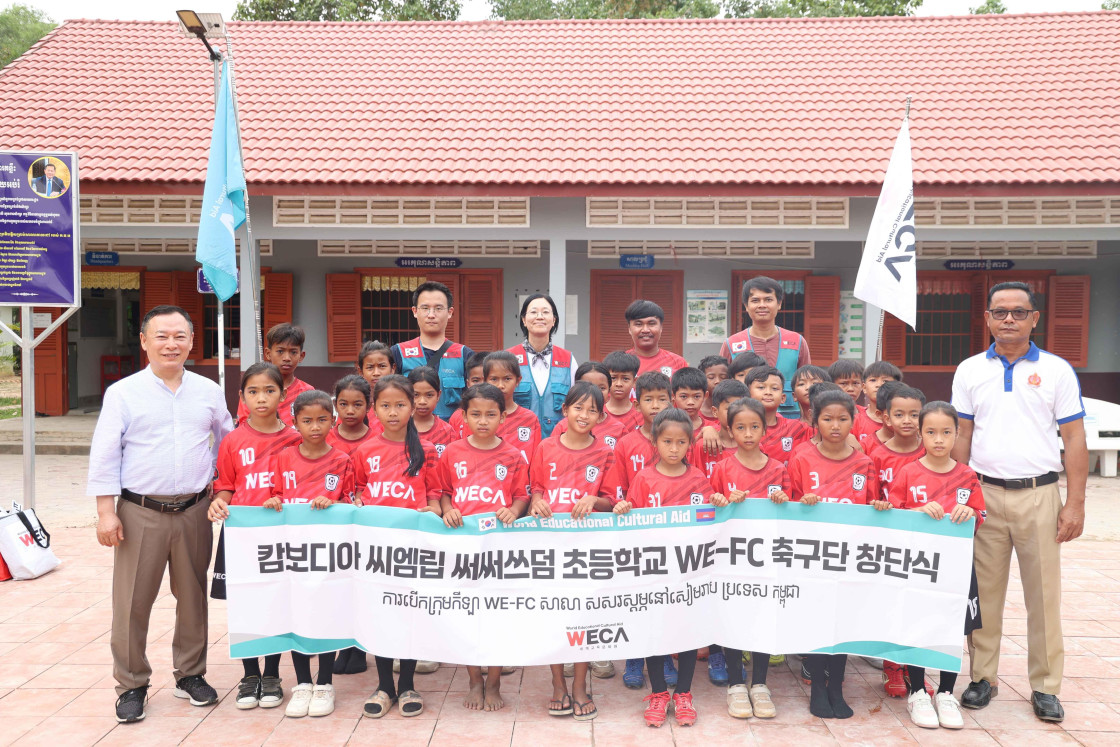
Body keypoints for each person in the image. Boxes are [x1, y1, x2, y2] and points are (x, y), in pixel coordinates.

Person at [88, 305, 233, 724]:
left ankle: (190, 675)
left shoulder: (208, 391)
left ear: (192, 341)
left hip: (195, 511)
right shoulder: (123, 393)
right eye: (162, 336)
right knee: (132, 601)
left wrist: (222, 489)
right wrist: (105, 512)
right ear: (144, 341)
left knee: (192, 598)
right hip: (140, 512)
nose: (171, 344)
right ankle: (131, 684)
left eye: (180, 336)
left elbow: (228, 444)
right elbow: (105, 454)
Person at [950, 281, 1088, 723]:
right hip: (983, 494)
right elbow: (963, 434)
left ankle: (1045, 685)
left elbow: (1074, 437)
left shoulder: (1056, 370)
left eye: (1018, 311)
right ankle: (982, 678)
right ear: (987, 318)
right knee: (984, 594)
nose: (1008, 318)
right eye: (1000, 311)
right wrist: (958, 494)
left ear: (1034, 318)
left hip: (1039, 495)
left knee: (1043, 596)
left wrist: (1075, 503)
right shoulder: (970, 370)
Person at [207, 362, 299, 711]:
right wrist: (219, 502)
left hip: (280, 535)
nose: (262, 398)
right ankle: (250, 675)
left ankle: (272, 674)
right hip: (242, 536)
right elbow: (226, 487)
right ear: (242, 396)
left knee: (276, 601)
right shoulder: (232, 440)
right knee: (245, 603)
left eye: (269, 391)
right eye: (253, 391)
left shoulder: (295, 439)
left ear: (283, 395)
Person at [788, 389, 885, 719]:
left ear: (853, 421)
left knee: (842, 622)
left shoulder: (863, 463)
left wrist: (879, 507)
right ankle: (818, 688)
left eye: (843, 419)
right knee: (817, 621)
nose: (835, 425)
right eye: (827, 419)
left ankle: (836, 688)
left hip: (849, 557)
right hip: (813, 555)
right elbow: (788, 504)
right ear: (815, 421)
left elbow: (870, 508)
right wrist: (802, 504)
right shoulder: (802, 457)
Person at [888, 401, 985, 731]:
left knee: (951, 627)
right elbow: (893, 515)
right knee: (918, 625)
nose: (939, 439)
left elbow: (980, 515)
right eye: (931, 432)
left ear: (957, 434)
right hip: (919, 566)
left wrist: (970, 513)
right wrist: (916, 512)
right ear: (921, 434)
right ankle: (917, 691)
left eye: (946, 432)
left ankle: (946, 692)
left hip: (956, 569)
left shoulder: (967, 476)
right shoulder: (909, 473)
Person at [614, 408, 713, 728]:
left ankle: (683, 693)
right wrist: (625, 508)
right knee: (653, 632)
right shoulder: (643, 478)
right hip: (653, 574)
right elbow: (632, 522)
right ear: (654, 442)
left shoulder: (698, 479)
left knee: (686, 633)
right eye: (667, 441)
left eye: (681, 442)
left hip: (687, 573)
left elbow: (710, 521)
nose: (674, 448)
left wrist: (720, 505)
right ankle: (658, 693)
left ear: (690, 444)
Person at [352, 375, 443, 719]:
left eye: (400, 405)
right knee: (381, 615)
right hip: (376, 550)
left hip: (413, 548)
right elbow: (357, 491)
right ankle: (383, 686)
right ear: (374, 409)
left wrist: (432, 511)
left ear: (412, 407)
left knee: (408, 613)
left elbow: (435, 495)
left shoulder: (427, 450)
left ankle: (406, 685)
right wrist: (358, 503)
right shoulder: (365, 450)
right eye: (385, 406)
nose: (393, 412)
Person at [529, 382, 618, 721]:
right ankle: (558, 684)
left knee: (584, 617)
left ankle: (580, 686)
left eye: (592, 410)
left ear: (600, 416)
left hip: (587, 548)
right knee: (554, 614)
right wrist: (538, 502)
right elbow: (537, 488)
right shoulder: (546, 447)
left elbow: (612, 500)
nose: (584, 415)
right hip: (550, 545)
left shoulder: (605, 452)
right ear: (565, 410)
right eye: (578, 408)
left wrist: (594, 500)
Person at [437, 384, 530, 711]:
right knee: (468, 614)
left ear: (503, 417)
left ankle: (494, 682)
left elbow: (522, 495)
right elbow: (443, 491)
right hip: (463, 547)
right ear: (463, 416)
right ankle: (474, 680)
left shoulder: (513, 455)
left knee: (496, 615)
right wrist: (448, 510)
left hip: (499, 548)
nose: (483, 420)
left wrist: (514, 511)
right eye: (475, 414)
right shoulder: (452, 452)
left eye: (491, 414)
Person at [267, 390, 356, 718]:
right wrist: (274, 501)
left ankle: (325, 683)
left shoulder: (342, 460)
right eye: (307, 421)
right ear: (295, 423)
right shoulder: (284, 458)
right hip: (293, 553)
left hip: (328, 554)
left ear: (333, 421)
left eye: (321, 420)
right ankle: (303, 684)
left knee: (325, 615)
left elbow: (352, 504)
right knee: (298, 615)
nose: (315, 427)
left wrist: (334, 503)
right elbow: (276, 494)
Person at [709, 397, 790, 720]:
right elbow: (711, 508)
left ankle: (759, 684)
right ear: (730, 430)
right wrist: (722, 501)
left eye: (754, 426)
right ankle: (735, 684)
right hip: (731, 559)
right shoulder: (722, 467)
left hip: (768, 559)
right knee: (733, 619)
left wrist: (784, 500)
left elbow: (792, 513)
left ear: (764, 429)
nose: (747, 433)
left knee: (762, 618)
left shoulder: (778, 468)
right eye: (740, 427)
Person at [608, 370, 671, 689]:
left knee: (665, 599)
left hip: (671, 538)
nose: (655, 405)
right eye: (649, 399)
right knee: (635, 598)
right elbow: (616, 488)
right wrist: (620, 506)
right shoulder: (626, 443)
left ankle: (665, 655)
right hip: (634, 535)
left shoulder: (678, 439)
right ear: (637, 403)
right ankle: (634, 656)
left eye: (662, 399)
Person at [869, 384, 927, 698]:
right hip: (887, 543)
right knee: (891, 604)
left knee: (918, 605)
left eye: (914, 415)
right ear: (886, 418)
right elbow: (869, 498)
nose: (907, 420)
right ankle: (892, 665)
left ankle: (915, 668)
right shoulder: (876, 455)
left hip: (923, 544)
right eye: (900, 414)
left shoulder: (930, 451)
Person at [720, 277, 810, 417]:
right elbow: (722, 388)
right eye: (755, 300)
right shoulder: (731, 344)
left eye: (768, 300)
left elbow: (808, 385)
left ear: (779, 304)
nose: (762, 305)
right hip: (746, 420)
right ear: (746, 306)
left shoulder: (797, 342)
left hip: (791, 420)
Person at [390, 281, 474, 420]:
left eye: (438, 308)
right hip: (411, 430)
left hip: (451, 431)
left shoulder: (465, 354)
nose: (431, 315)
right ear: (415, 311)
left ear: (450, 312)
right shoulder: (398, 353)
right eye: (425, 308)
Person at [507, 293, 577, 438]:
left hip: (557, 441)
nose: (540, 317)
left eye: (545, 312)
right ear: (524, 320)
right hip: (517, 440)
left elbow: (578, 403)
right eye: (533, 312)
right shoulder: (509, 358)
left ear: (554, 320)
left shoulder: (567, 359)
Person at [236, 324, 313, 427]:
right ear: (268, 353)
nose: (287, 358)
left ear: (301, 356)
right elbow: (244, 428)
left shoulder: (307, 392)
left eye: (293, 352)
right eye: (280, 351)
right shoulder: (253, 389)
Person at [745, 366, 811, 467]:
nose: (768, 392)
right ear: (747, 395)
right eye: (761, 387)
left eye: (774, 388)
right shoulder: (739, 428)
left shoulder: (796, 428)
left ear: (783, 398)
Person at [484, 351, 542, 465]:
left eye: (507, 379)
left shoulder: (529, 419)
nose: (500, 385)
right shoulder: (477, 418)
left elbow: (536, 460)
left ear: (518, 381)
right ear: (485, 380)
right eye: (494, 379)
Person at [689, 379, 748, 480]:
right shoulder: (703, 446)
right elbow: (693, 481)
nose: (735, 414)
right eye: (730, 408)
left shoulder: (752, 445)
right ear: (715, 412)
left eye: (741, 409)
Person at [625, 299, 688, 377]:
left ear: (661, 327)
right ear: (629, 329)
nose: (645, 330)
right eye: (638, 324)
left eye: (651, 324)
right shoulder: (618, 363)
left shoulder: (679, 363)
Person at [407, 366, 456, 457]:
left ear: (438, 395)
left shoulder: (447, 432)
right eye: (416, 395)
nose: (422, 401)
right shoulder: (399, 429)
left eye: (429, 395)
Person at [851, 361, 903, 444]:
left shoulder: (905, 421)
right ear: (864, 387)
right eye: (873, 380)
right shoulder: (854, 422)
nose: (879, 385)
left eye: (885, 381)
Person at [327, 375, 377, 454]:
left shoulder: (377, 441)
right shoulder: (325, 440)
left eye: (357, 405)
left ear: (368, 406)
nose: (350, 411)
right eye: (343, 404)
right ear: (335, 405)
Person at [602, 351, 644, 432]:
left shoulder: (641, 416)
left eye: (625, 379)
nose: (619, 384)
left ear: (634, 381)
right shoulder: (598, 413)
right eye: (613, 378)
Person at [698, 355, 730, 426]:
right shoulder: (695, 409)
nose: (717, 381)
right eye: (711, 377)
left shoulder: (734, 409)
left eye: (723, 377)